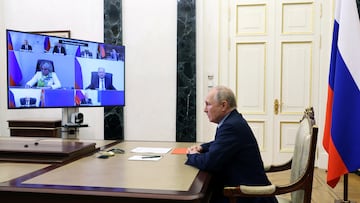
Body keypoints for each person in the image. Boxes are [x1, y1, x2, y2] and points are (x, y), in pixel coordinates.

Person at [185, 86, 278, 203]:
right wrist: (202, 147)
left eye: (208, 104)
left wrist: (192, 155)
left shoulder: (230, 126)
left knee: (202, 194)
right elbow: (221, 143)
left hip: (247, 196)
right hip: (241, 190)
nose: (205, 109)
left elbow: (209, 162)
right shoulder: (233, 120)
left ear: (223, 105)